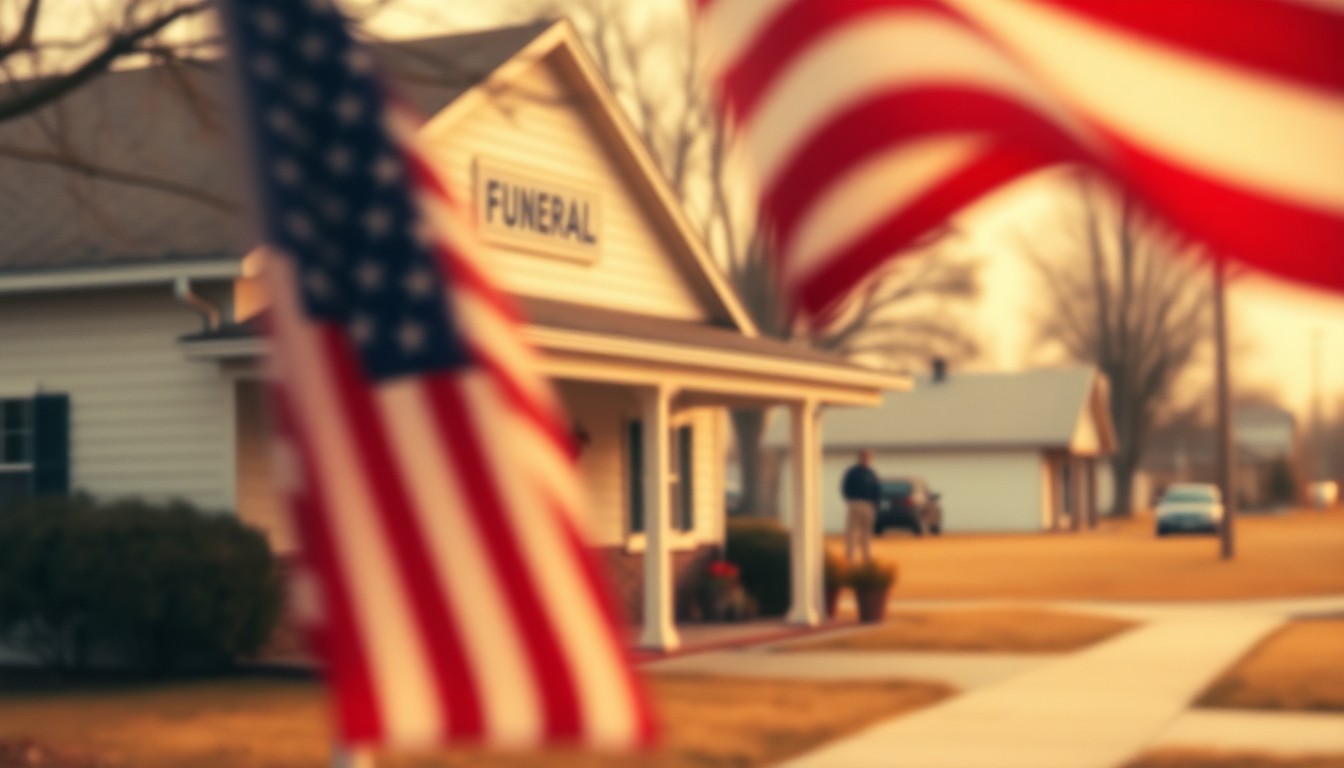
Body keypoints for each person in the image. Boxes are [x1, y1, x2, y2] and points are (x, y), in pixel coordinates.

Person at [841, 449, 880, 563]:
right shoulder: (853, 472)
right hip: (855, 503)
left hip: (868, 505)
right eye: (864, 457)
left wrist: (875, 502)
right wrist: (850, 499)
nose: (866, 459)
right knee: (852, 531)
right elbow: (845, 487)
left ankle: (866, 557)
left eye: (868, 457)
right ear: (860, 458)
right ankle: (850, 557)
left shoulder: (871, 473)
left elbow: (876, 489)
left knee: (867, 532)